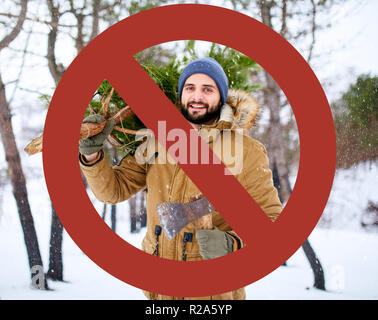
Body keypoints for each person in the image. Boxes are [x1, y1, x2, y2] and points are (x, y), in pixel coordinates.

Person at [79, 57, 282, 300]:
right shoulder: (157, 140)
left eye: (208, 89)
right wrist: (91, 154)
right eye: (190, 88)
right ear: (181, 94)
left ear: (221, 96)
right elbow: (112, 192)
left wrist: (233, 245)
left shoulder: (246, 150)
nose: (197, 97)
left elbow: (272, 223)